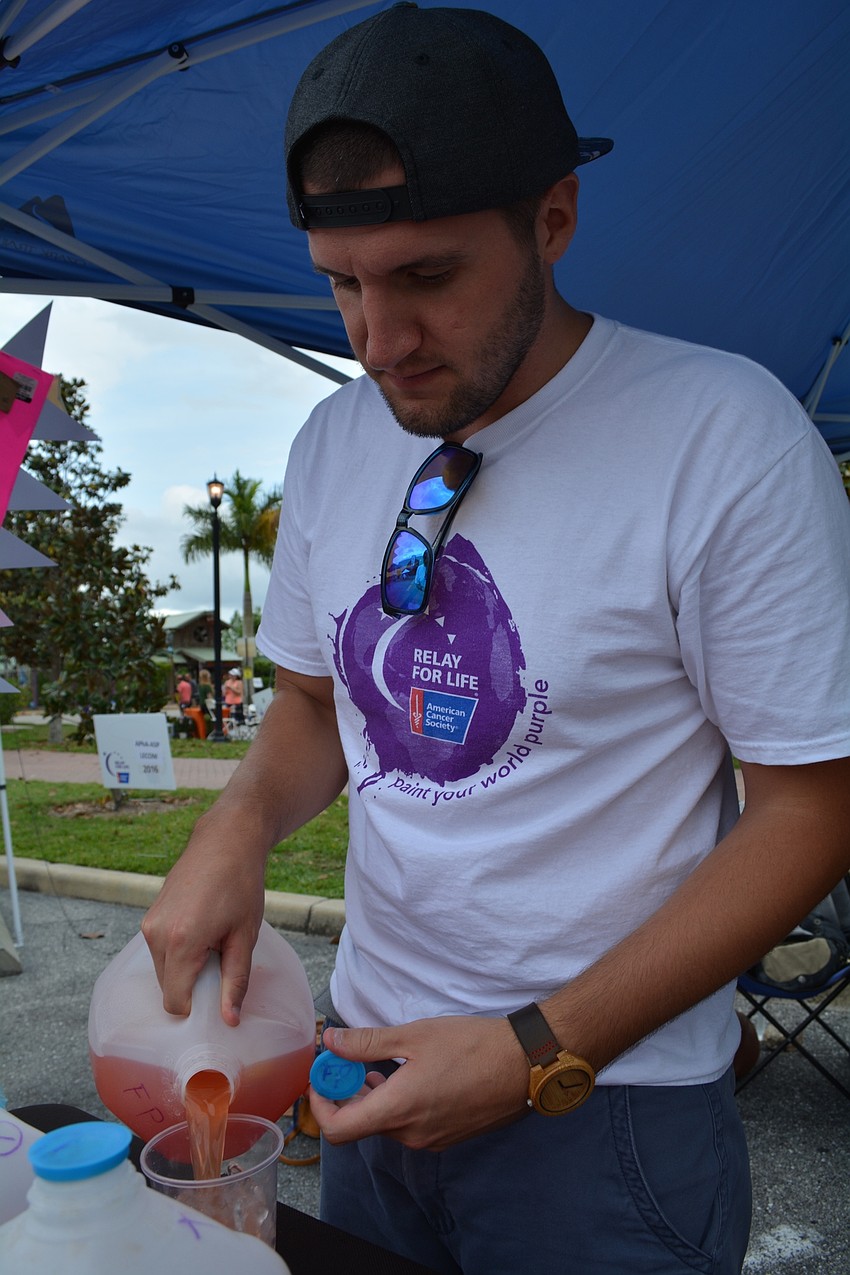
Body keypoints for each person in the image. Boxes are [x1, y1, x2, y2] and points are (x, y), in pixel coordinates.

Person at [142, 7, 850, 1273]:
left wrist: (540, 1045)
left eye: (426, 278)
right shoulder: (336, 442)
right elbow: (314, 707)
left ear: (554, 220)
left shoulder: (720, 439)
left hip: (606, 1107)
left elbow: (810, 805)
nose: (380, 342)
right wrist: (236, 825)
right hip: (367, 1064)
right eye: (342, 285)